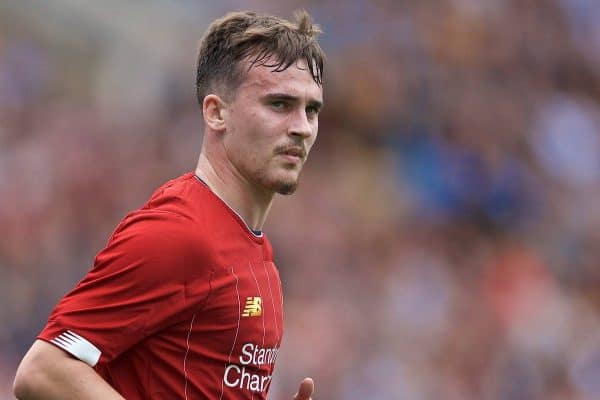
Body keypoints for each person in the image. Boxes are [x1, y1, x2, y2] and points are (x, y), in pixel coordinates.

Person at [13, 9, 324, 400]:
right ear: (216, 112)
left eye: (311, 109)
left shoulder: (256, 254)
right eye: (279, 104)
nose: (302, 127)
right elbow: (44, 370)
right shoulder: (180, 234)